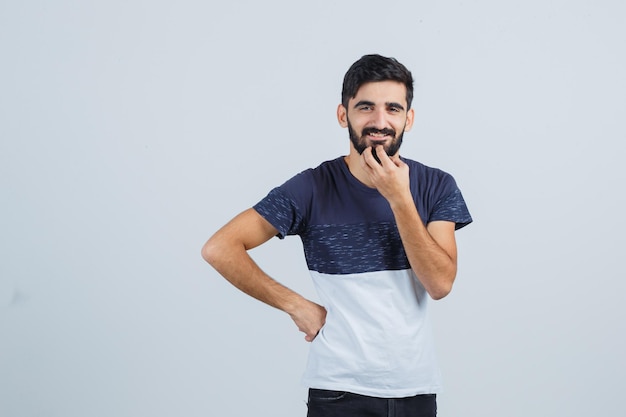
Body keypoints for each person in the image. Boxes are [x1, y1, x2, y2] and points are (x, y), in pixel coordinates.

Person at [202, 54, 472, 417]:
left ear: (408, 118)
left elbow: (440, 284)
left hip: (416, 390)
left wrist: (399, 198)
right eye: (366, 107)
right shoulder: (313, 187)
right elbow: (220, 248)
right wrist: (295, 305)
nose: (380, 121)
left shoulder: (436, 185)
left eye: (393, 108)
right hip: (338, 392)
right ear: (343, 114)